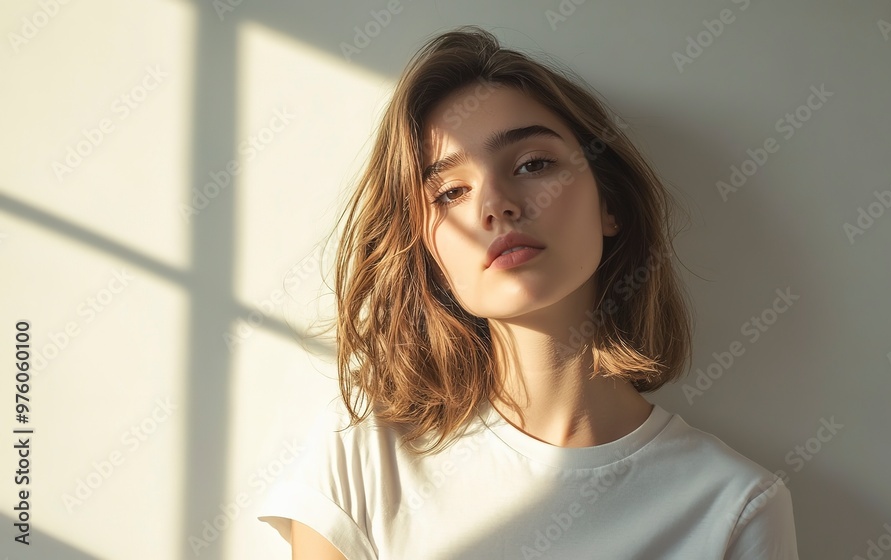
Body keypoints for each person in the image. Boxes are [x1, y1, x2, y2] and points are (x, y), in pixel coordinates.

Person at [258, 25, 799, 559]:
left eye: (533, 164)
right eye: (449, 192)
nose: (495, 204)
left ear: (609, 203)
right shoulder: (366, 456)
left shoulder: (733, 507)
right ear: (427, 251)